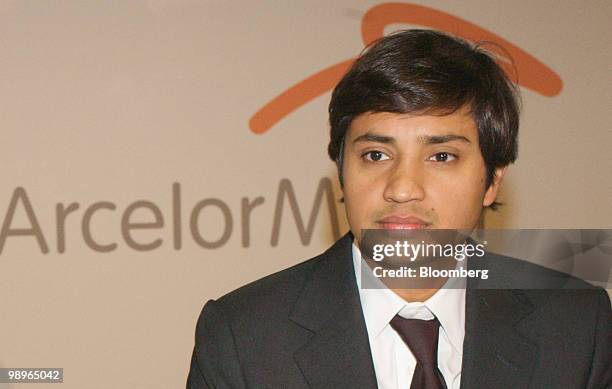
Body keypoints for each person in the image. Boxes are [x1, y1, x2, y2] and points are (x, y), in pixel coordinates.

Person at [186, 29, 611, 389]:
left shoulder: (575, 325)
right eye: (375, 155)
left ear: (492, 180)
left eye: (441, 156)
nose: (403, 188)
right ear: (341, 170)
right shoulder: (244, 337)